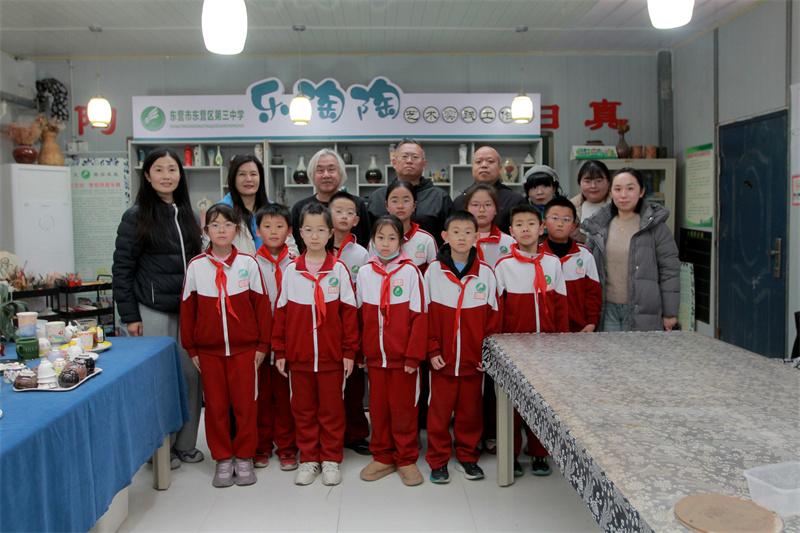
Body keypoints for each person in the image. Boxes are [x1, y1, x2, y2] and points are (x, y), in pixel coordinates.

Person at [112, 147, 204, 469]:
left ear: (181, 175)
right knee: (158, 380)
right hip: (152, 310)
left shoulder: (188, 215)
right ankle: (159, 449)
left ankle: (186, 445)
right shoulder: (136, 216)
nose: (167, 176)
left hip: (188, 311)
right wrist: (130, 315)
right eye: (159, 170)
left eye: (172, 169)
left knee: (191, 376)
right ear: (148, 176)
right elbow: (122, 269)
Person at [179, 204, 272, 488]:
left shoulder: (248, 264)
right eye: (215, 225)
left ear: (237, 230)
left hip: (245, 351)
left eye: (227, 225)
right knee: (216, 408)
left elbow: (262, 307)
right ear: (206, 230)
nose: (221, 230)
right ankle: (222, 458)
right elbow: (188, 310)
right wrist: (192, 349)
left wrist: (262, 345)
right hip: (209, 352)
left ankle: (244, 456)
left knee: (246, 406)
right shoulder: (196, 266)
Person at [272, 203, 359, 487]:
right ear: (299, 233)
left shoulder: (339, 270)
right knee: (303, 409)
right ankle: (309, 457)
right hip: (300, 357)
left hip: (332, 358)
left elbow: (349, 315)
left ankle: (331, 458)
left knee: (332, 410)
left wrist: (349, 351)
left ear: (331, 233)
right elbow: (281, 313)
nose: (314, 236)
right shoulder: (291, 271)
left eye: (321, 230)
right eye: (308, 230)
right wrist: (280, 350)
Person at [424, 211, 499, 484]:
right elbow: (425, 315)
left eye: (468, 232)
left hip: (472, 360)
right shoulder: (433, 271)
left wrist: (486, 355)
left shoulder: (486, 273)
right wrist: (432, 349)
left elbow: (493, 319)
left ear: (476, 237)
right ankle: (438, 460)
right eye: (456, 232)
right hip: (442, 360)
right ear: (445, 236)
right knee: (439, 413)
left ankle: (468, 456)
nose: (462, 237)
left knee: (470, 413)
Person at [495, 203, 568, 476]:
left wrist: (562, 343)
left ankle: (539, 452)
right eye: (519, 225)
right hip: (515, 348)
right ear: (511, 231)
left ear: (541, 228)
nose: (525, 229)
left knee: (542, 403)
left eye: (531, 224)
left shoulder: (553, 263)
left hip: (546, 348)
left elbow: (561, 306)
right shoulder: (503, 266)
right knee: (513, 405)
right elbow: (498, 311)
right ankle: (511, 454)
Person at [356, 215, 427, 487]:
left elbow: (419, 317)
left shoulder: (410, 272)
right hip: (375, 357)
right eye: (380, 238)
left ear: (401, 241)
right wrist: (361, 352)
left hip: (403, 359)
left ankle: (406, 458)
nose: (385, 244)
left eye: (392, 238)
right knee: (378, 409)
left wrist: (413, 356)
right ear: (373, 240)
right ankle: (383, 456)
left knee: (404, 409)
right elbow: (359, 315)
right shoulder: (365, 273)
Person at [582, 168, 680, 332]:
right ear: (610, 192)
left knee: (638, 350)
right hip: (607, 309)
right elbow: (587, 270)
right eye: (617, 189)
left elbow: (669, 271)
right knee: (609, 349)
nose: (623, 195)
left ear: (641, 192)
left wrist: (670, 313)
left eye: (630, 188)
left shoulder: (656, 228)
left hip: (643, 310)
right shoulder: (598, 226)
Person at [253, 203, 298, 471]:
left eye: (279, 226)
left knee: (285, 398)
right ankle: (261, 445)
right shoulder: (250, 263)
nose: (273, 231)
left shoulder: (296, 263)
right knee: (260, 397)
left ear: (289, 230)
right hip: (259, 341)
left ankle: (287, 447)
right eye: (267, 226)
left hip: (287, 342)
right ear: (258, 231)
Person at [328, 190, 371, 456]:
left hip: (353, 323)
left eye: (349, 213)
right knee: (328, 385)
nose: (344, 216)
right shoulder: (317, 247)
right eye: (338, 211)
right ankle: (330, 433)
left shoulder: (361, 253)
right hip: (326, 323)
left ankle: (355, 433)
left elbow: (366, 295)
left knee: (354, 383)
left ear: (356, 220)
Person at [367, 139, 453, 241]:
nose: (409, 161)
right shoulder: (377, 197)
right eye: (404, 156)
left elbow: (450, 237)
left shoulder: (440, 197)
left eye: (415, 157)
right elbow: (368, 236)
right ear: (394, 162)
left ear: (424, 164)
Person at [540, 197, 602, 333]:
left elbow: (593, 293)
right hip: (545, 331)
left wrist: (591, 322)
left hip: (579, 329)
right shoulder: (536, 256)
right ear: (544, 224)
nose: (560, 223)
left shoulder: (584, 255)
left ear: (574, 226)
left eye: (566, 219)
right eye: (554, 218)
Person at [290, 148, 371, 248]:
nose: (326, 175)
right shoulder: (300, 208)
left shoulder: (356, 204)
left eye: (331, 170)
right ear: (312, 175)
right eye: (320, 170)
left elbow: (366, 241)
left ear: (341, 173)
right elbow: (296, 246)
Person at [451, 146, 526, 232]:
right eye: (478, 162)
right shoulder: (460, 201)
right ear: (472, 168)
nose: (484, 165)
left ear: (500, 168)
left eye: (490, 161)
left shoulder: (515, 201)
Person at [371, 180, 437, 273]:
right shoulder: (376, 239)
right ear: (386, 206)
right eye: (394, 201)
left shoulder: (426, 240)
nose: (400, 206)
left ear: (414, 205)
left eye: (406, 201)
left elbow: (435, 275)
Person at [220, 154, 270, 254]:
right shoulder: (222, 212)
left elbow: (289, 247)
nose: (249, 179)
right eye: (242, 174)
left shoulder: (272, 209)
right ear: (233, 178)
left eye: (253, 174)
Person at [464, 183, 516, 268]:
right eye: (475, 205)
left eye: (487, 205)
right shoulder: (454, 241)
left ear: (496, 209)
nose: (481, 210)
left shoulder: (509, 242)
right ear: (466, 209)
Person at [570, 159, 611, 228]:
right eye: (587, 181)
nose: (593, 186)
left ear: (608, 182)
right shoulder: (571, 207)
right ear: (579, 183)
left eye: (599, 181)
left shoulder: (619, 205)